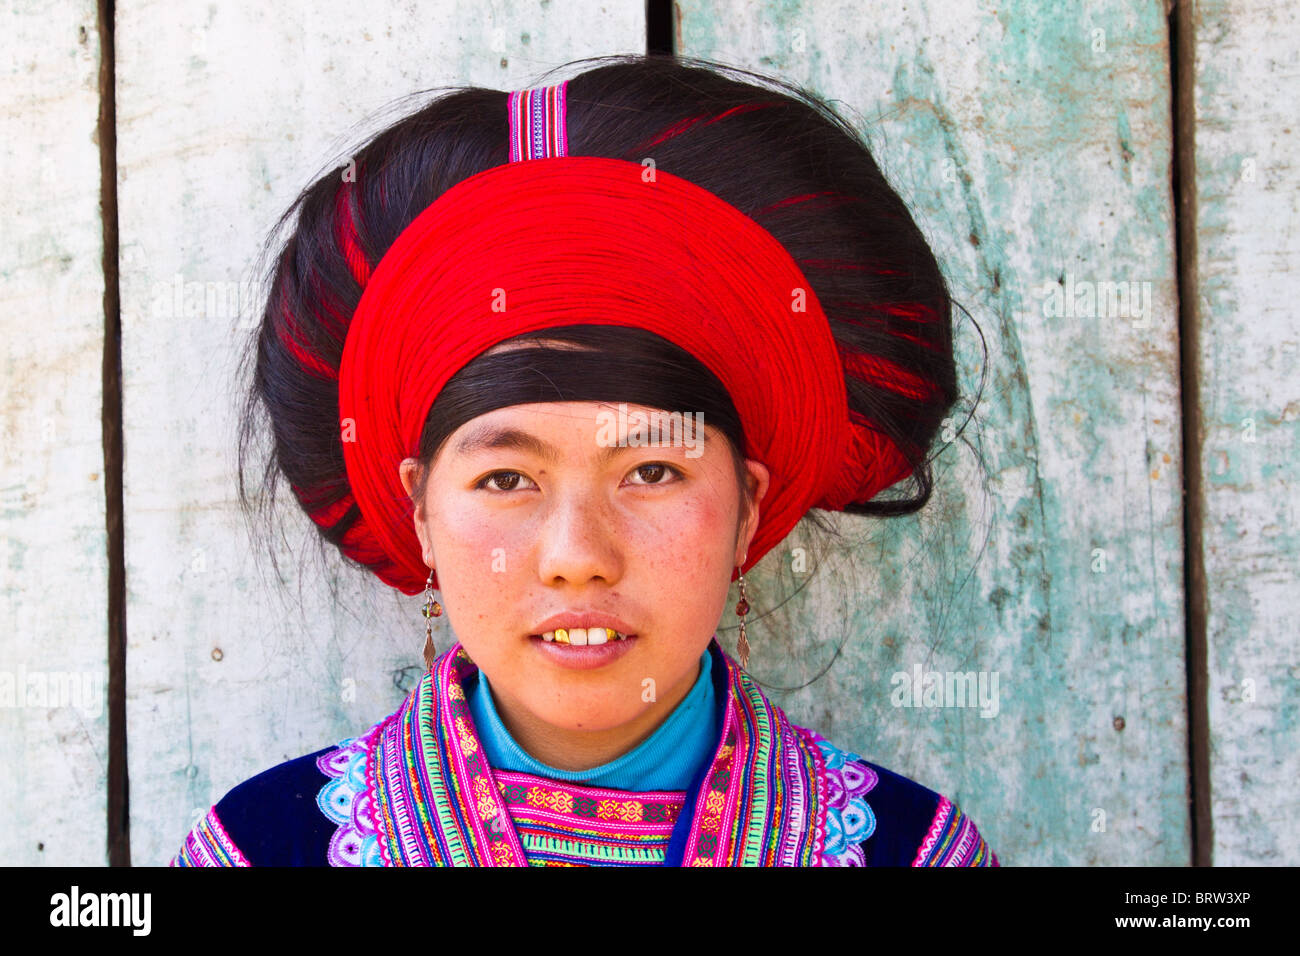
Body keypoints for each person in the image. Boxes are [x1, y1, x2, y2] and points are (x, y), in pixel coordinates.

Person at [172, 54, 998, 867]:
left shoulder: (913, 853)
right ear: (420, 510)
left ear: (746, 506)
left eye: (652, 471)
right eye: (505, 478)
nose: (578, 558)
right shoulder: (262, 850)